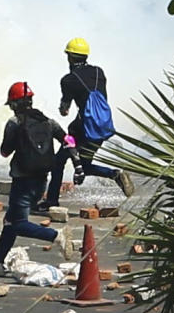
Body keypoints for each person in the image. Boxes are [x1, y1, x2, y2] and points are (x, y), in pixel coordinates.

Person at [0, 82, 81, 276]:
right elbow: (68, 140)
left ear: (15, 104)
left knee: (17, 224)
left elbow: (4, 152)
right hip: (42, 181)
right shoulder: (48, 122)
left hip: (22, 182)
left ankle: (57, 236)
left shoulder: (14, 123)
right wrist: (77, 163)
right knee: (10, 221)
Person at [39, 38, 134, 211]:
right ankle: (115, 174)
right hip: (102, 126)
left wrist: (63, 108)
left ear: (70, 57)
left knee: (58, 162)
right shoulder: (99, 72)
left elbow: (65, 109)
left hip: (83, 129)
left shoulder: (68, 80)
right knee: (85, 164)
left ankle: (51, 201)